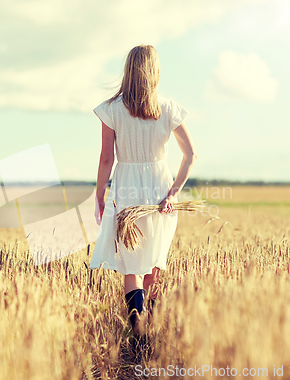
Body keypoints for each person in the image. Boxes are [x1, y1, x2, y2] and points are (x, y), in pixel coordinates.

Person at [89, 45, 197, 337]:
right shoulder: (168, 108)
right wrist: (173, 193)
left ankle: (137, 328)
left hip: (126, 190)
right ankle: (149, 324)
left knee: (131, 266)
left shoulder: (111, 109)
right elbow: (190, 155)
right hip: (159, 190)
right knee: (154, 260)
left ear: (128, 70)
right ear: (155, 72)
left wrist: (100, 195)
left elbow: (106, 159)